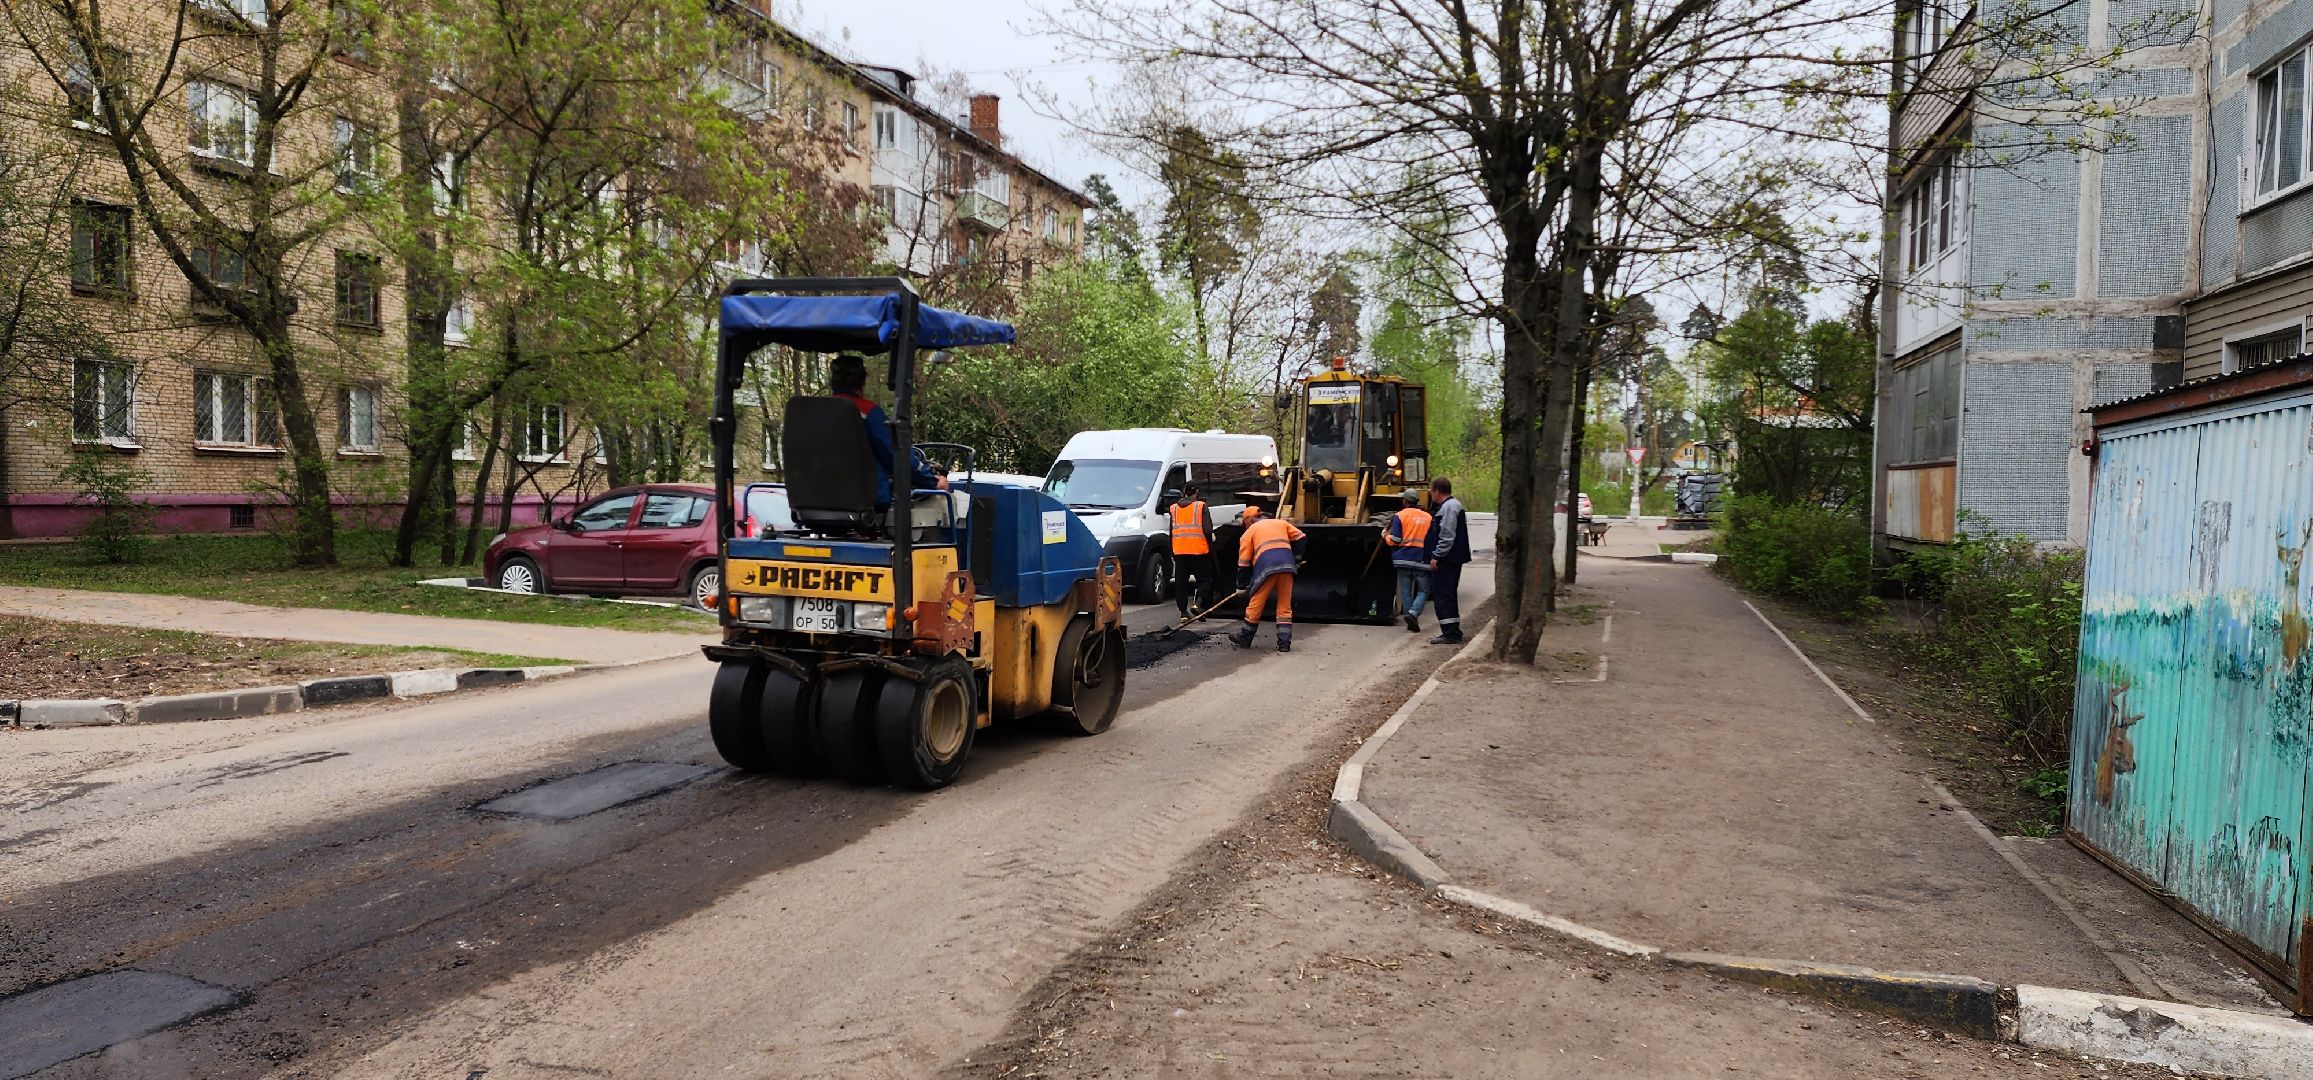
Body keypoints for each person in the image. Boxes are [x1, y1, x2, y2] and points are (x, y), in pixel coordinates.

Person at [830, 353, 941, 510]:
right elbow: (896, 455)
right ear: (862, 381)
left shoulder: (814, 414)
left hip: (813, 499)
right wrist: (932, 481)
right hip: (866, 501)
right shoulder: (866, 412)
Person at [1230, 502, 1306, 652]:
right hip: (1287, 567)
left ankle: (1245, 638)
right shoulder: (1280, 523)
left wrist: (1241, 586)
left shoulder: (1249, 532)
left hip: (1267, 569)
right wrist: (1296, 558)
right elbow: (1302, 538)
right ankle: (1284, 643)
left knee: (1256, 604)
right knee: (1285, 606)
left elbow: (1244, 563)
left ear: (1248, 520)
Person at [1426, 477, 1470, 645]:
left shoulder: (1449, 508)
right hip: (1451, 559)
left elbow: (1447, 536)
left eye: (1431, 491)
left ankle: (1451, 634)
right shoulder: (1450, 506)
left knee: (1444, 595)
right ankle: (1451, 631)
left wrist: (1436, 556)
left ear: (1437, 491)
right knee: (1446, 595)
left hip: (1447, 560)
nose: (1430, 494)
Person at [1384, 490, 1433, 633]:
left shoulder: (1399, 516)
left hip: (1403, 559)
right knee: (1424, 590)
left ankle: (1409, 616)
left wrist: (1386, 536)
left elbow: (1396, 540)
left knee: (1405, 591)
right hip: (1422, 559)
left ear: (1404, 501)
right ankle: (1414, 613)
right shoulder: (1428, 517)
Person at [1168, 483, 1218, 620]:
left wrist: (1172, 550)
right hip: (1199, 550)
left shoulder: (1173, 509)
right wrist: (1211, 543)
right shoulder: (1201, 506)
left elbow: (1171, 532)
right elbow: (1208, 529)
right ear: (1196, 492)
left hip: (1180, 551)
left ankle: (1183, 613)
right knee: (1205, 580)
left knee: (1181, 583)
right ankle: (1198, 604)